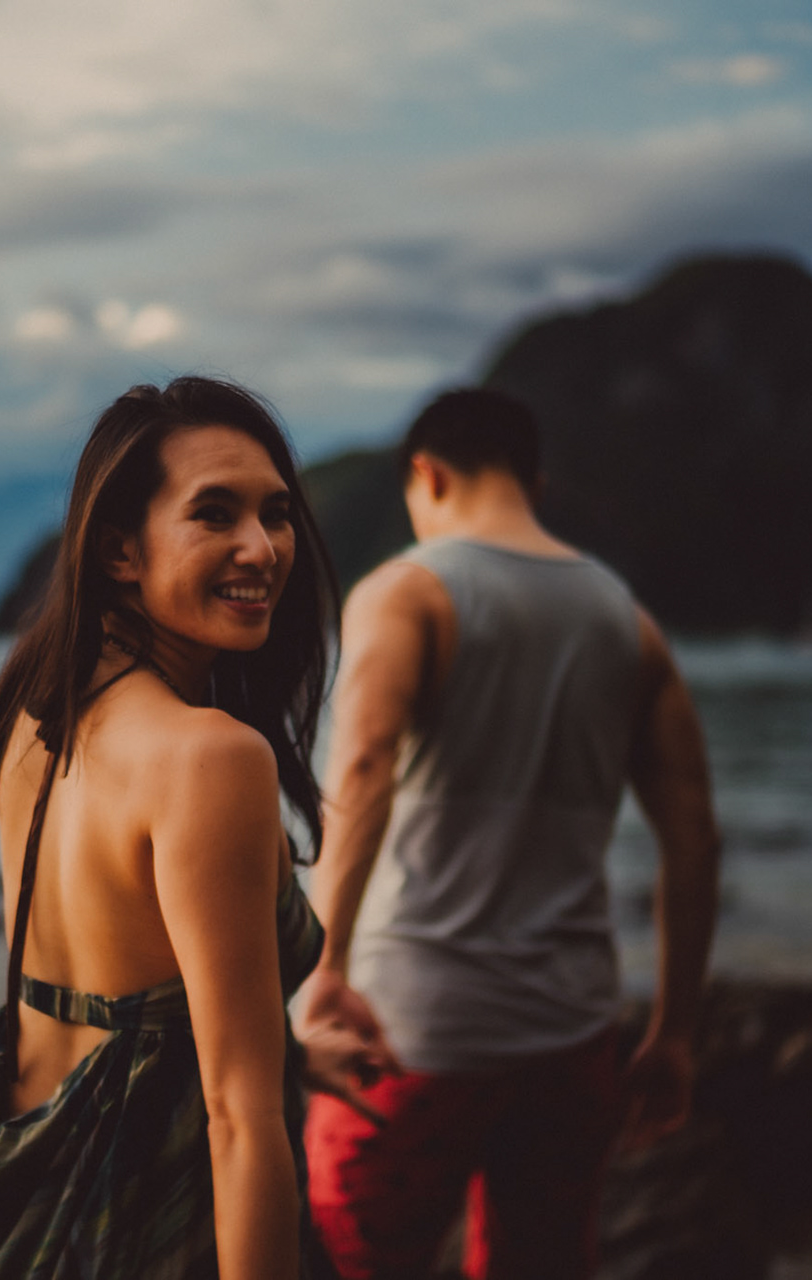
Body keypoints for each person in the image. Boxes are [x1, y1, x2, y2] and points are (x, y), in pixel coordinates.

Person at [0, 376, 371, 1280]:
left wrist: (292, 1053)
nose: (263, 547)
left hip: (9, 1193)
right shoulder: (211, 758)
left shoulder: (33, 719)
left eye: (276, 513)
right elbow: (240, 1118)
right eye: (215, 514)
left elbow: (106, 984)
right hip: (144, 1218)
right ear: (122, 552)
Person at [296, 387, 722, 1280]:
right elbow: (693, 835)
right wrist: (675, 1029)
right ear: (534, 478)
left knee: (350, 1262)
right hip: (572, 1031)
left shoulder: (406, 591)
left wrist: (323, 968)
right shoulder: (628, 622)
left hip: (411, 1026)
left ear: (427, 475)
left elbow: (363, 766)